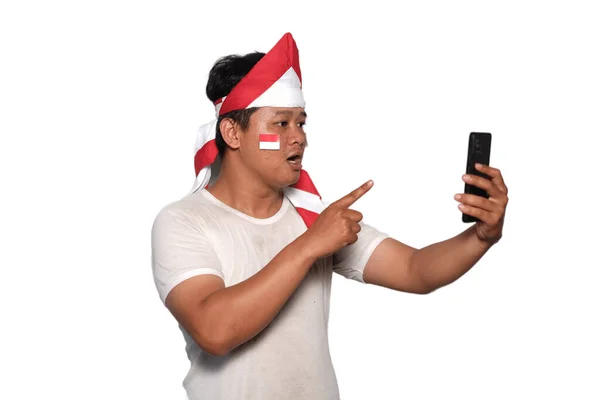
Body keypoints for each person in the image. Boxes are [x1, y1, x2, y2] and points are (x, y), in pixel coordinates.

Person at [151, 32, 509, 400]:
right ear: (232, 132)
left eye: (301, 123)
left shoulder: (311, 215)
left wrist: (481, 237)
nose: (299, 138)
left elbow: (414, 269)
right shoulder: (184, 221)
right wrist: (309, 246)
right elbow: (214, 331)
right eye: (280, 123)